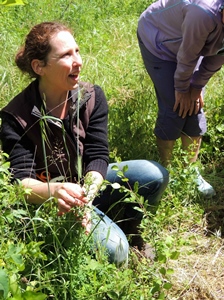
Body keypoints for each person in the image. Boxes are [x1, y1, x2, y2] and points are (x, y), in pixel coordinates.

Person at [0, 21, 169, 264]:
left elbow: (98, 155)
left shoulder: (91, 97)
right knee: (116, 252)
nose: (78, 61)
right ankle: (102, 228)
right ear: (39, 67)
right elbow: (20, 181)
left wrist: (86, 198)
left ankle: (127, 221)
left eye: (77, 51)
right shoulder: (17, 116)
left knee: (154, 174)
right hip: (53, 199)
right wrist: (56, 192)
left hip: (88, 184)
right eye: (66, 55)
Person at [137, 0, 224, 198]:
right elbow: (187, 56)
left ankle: (189, 172)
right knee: (174, 106)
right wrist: (182, 88)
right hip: (158, 40)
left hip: (193, 42)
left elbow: (217, 57)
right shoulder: (202, 12)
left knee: (195, 106)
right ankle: (165, 172)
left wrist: (196, 87)